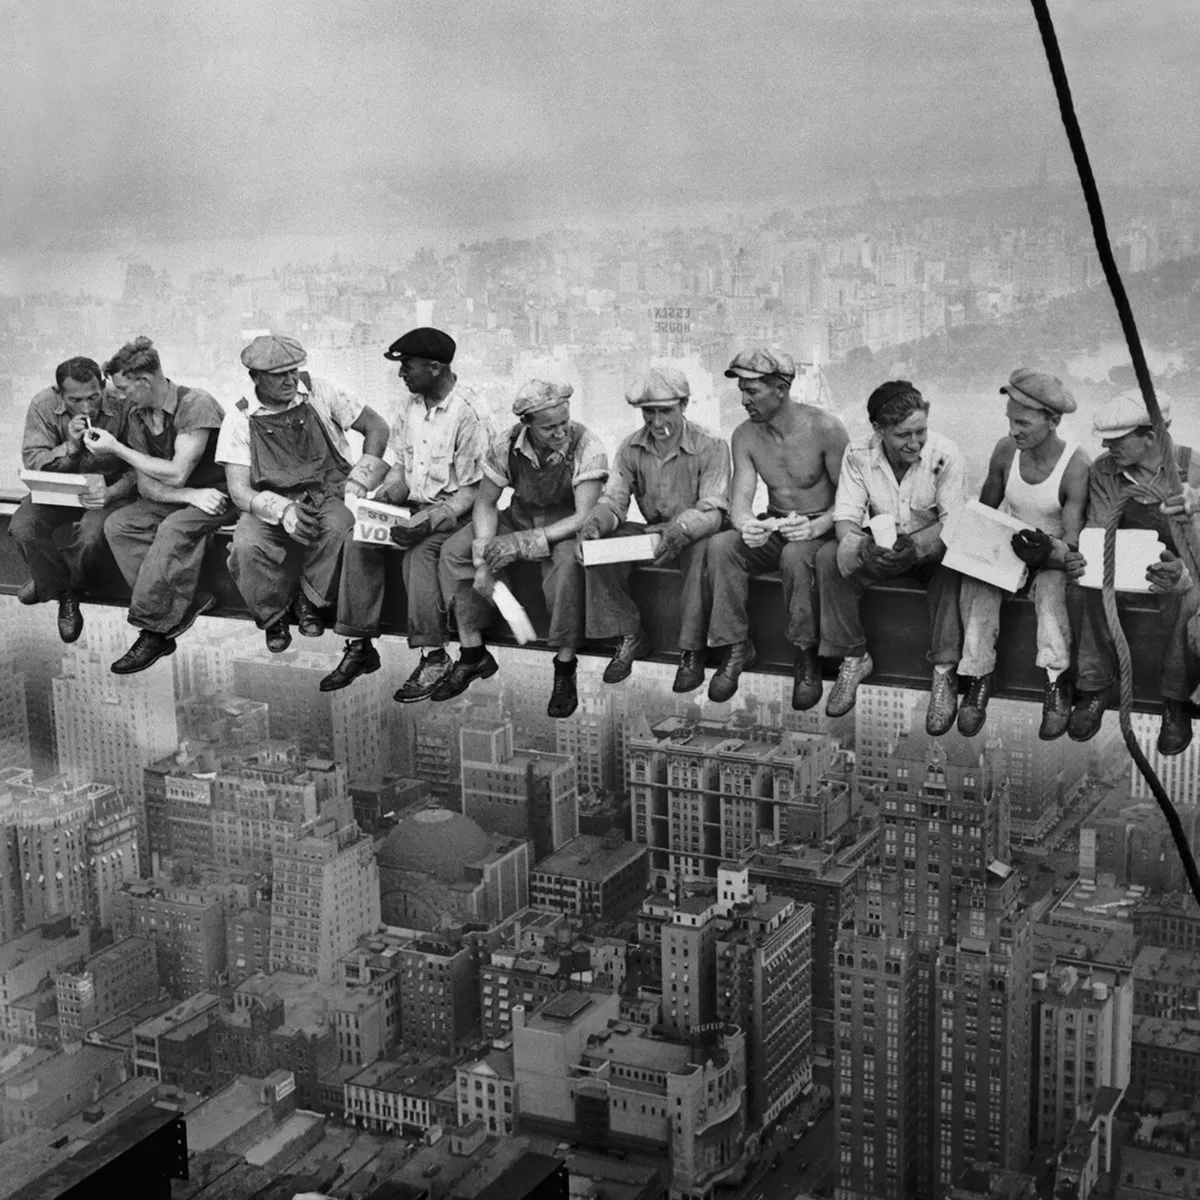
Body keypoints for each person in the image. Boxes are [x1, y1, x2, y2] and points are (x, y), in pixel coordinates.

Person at [319, 327, 486, 700]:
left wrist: (429, 520)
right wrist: (382, 500)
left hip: (454, 516)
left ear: (435, 367)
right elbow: (401, 469)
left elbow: (474, 491)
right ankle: (359, 646)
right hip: (415, 506)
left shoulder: (469, 413)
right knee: (358, 539)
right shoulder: (409, 407)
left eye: (407, 366)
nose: (401, 375)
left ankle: (434, 656)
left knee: (420, 554)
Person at [435, 380, 607, 718]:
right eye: (549, 428)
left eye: (564, 422)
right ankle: (472, 652)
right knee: (455, 551)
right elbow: (485, 503)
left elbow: (583, 516)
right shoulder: (507, 443)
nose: (560, 432)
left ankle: (564, 665)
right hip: (519, 515)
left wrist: (521, 545)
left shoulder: (589, 446)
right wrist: (483, 559)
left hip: (564, 526)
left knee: (568, 568)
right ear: (527, 424)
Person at [218, 334, 390, 654]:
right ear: (255, 377)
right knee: (246, 545)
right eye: (279, 374)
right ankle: (274, 615)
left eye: (294, 370)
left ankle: (309, 600)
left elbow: (377, 428)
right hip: (271, 500)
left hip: (327, 492)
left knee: (339, 529)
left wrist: (359, 481)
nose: (291, 379)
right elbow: (239, 489)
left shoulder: (321, 392)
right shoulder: (240, 417)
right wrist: (282, 511)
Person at [815, 380, 968, 733]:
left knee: (951, 570)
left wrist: (915, 549)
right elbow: (847, 516)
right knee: (828, 558)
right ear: (878, 430)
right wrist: (863, 548)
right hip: (883, 544)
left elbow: (953, 524)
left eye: (920, 431)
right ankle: (854, 657)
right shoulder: (858, 455)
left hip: (931, 548)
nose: (914, 443)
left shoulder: (945, 455)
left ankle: (944, 673)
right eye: (903, 435)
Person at [705, 349, 849, 707]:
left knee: (796, 556)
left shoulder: (826, 430)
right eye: (742, 390)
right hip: (776, 520)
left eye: (752, 391)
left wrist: (816, 527)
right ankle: (736, 646)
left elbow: (850, 500)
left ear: (781, 389)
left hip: (821, 526)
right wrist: (747, 525)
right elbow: (740, 500)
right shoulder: (745, 436)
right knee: (722, 546)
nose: (743, 400)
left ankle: (805, 655)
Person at [576, 367, 730, 692]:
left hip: (695, 531)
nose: (657, 422)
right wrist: (594, 524)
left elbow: (713, 510)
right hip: (654, 533)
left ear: (684, 405)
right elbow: (615, 500)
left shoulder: (711, 446)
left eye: (665, 411)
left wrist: (681, 529)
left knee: (701, 552)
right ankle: (629, 633)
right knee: (599, 551)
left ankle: (691, 650)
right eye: (649, 412)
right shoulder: (631, 448)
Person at [956, 369, 1089, 740]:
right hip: (1011, 543)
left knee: (1050, 593)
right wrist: (979, 550)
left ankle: (1056, 680)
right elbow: (987, 511)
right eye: (1010, 421)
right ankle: (979, 672)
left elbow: (1073, 538)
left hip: (1051, 553)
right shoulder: (1005, 450)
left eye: (1023, 423)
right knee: (977, 582)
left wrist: (1049, 552)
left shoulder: (1075, 467)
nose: (1014, 430)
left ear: (1053, 421)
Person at [1065, 393, 1200, 755]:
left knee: (1187, 598)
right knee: (1090, 587)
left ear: (1151, 437)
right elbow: (1098, 530)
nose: (1107, 445)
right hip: (1125, 563)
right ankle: (1094, 686)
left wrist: (1181, 571)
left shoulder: (1194, 470)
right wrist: (1087, 559)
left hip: (1182, 567)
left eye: (1118, 438)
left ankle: (1175, 701)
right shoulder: (1104, 470)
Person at [86, 337, 231, 673]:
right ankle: (187, 600)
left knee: (172, 529)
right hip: (188, 497)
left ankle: (153, 630)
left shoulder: (196, 405)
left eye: (123, 388)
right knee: (120, 525)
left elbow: (177, 472)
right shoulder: (138, 415)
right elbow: (147, 483)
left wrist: (117, 449)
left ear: (144, 381)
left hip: (218, 493)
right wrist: (187, 497)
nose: (120, 397)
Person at [12, 357, 137, 642]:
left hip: (107, 490)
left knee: (92, 536)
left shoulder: (123, 404)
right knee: (23, 527)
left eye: (93, 397)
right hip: (56, 490)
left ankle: (52, 582)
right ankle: (62, 590)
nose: (86, 407)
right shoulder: (43, 405)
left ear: (102, 386)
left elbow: (137, 466)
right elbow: (33, 462)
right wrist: (71, 447)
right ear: (59, 394)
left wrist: (112, 492)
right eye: (75, 400)